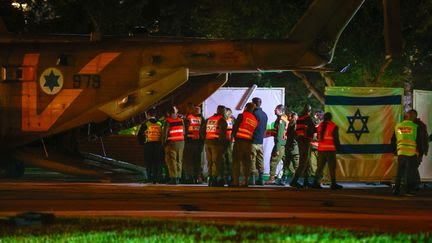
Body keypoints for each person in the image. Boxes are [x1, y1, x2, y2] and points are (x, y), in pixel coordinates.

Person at [391, 110, 425, 196]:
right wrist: (421, 154)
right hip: (411, 153)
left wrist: (395, 152)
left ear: (406, 116)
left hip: (400, 152)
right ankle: (407, 191)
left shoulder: (398, 126)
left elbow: (393, 140)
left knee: (399, 172)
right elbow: (419, 141)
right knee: (409, 173)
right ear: (414, 117)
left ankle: (396, 190)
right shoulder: (415, 127)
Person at [311, 112, 343, 189]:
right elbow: (336, 139)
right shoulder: (333, 126)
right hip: (330, 150)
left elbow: (318, 137)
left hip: (321, 149)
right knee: (332, 167)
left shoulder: (320, 125)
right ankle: (333, 183)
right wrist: (339, 148)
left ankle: (315, 182)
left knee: (320, 167)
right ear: (330, 118)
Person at [231, 102, 258, 187]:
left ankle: (236, 182)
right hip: (248, 143)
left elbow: (235, 127)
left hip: (239, 142)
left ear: (246, 107)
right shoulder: (254, 120)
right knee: (246, 162)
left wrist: (233, 137)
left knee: (236, 161)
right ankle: (246, 181)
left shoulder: (242, 115)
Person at [290, 104, 317, 188]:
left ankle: (306, 181)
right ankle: (294, 181)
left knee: (307, 161)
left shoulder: (299, 118)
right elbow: (313, 129)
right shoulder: (307, 118)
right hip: (305, 141)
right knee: (303, 161)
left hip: (301, 141)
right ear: (309, 111)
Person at [137, 108, 163, 183]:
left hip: (148, 145)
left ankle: (149, 178)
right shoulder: (160, 123)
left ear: (148, 115)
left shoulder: (145, 124)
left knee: (149, 163)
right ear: (155, 114)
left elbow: (139, 135)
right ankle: (156, 178)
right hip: (158, 145)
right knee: (157, 163)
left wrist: (142, 143)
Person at [161, 105, 185, 185]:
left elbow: (165, 134)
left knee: (171, 161)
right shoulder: (180, 120)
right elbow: (184, 132)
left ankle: (173, 178)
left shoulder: (168, 121)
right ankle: (178, 177)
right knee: (179, 160)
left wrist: (163, 144)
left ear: (168, 113)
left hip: (171, 143)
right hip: (181, 142)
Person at [205, 105, 228, 187]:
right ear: (222, 111)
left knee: (210, 162)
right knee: (216, 162)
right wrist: (223, 144)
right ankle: (215, 180)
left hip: (208, 142)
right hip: (217, 144)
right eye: (224, 111)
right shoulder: (222, 120)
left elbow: (202, 131)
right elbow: (222, 134)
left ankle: (210, 179)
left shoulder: (209, 119)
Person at [183, 103, 205, 184]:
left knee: (189, 161)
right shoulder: (201, 118)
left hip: (189, 142)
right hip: (198, 143)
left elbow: (184, 131)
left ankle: (190, 178)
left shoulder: (188, 118)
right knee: (197, 161)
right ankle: (198, 178)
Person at [268, 105, 288, 185]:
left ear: (280, 110)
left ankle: (272, 178)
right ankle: (284, 178)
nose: (274, 110)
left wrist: (277, 148)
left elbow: (279, 135)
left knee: (273, 161)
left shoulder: (281, 120)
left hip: (280, 145)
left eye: (276, 109)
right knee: (287, 163)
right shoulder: (283, 119)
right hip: (283, 144)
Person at [251, 97, 268, 185]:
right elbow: (264, 129)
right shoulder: (265, 114)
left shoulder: (253, 114)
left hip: (252, 141)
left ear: (254, 104)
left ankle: (252, 179)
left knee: (252, 159)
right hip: (260, 141)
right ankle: (261, 179)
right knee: (260, 160)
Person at [411, 109, 429, 190]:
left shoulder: (417, 125)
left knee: (413, 167)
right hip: (417, 150)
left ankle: (416, 184)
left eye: (410, 115)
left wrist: (421, 152)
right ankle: (415, 184)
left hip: (417, 150)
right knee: (413, 167)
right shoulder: (420, 125)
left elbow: (421, 140)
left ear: (414, 115)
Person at [280, 111, 299, 186]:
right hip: (294, 149)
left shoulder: (290, 126)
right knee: (296, 166)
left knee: (286, 165)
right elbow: (296, 138)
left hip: (288, 148)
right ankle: (295, 181)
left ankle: (283, 180)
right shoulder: (295, 126)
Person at [221, 107, 235, 185]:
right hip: (224, 142)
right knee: (224, 161)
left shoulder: (232, 120)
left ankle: (230, 178)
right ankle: (225, 178)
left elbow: (234, 130)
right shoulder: (222, 120)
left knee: (229, 161)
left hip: (230, 143)